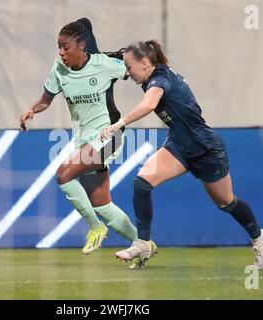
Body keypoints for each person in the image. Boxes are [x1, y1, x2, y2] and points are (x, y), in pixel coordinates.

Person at [100, 40, 263, 269]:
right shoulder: (149, 69)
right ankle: (143, 243)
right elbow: (125, 54)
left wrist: (118, 124)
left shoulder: (160, 79)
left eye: (130, 68)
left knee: (226, 202)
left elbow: (150, 104)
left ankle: (260, 237)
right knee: (142, 183)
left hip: (205, 148)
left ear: (144, 63)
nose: (128, 73)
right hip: (179, 146)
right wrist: (100, 56)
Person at [20, 19, 156, 267]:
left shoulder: (104, 65)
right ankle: (143, 245)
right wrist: (32, 110)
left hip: (108, 136)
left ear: (82, 46)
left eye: (66, 47)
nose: (61, 52)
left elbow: (139, 70)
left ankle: (95, 228)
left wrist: (160, 88)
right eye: (59, 47)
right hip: (84, 141)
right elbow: (46, 99)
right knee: (102, 204)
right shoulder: (59, 70)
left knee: (63, 174)